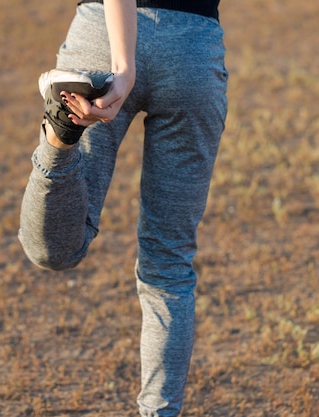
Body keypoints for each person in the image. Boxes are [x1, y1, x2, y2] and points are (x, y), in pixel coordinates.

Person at [18, 0, 227, 415]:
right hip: (193, 51)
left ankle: (59, 141)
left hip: (101, 43)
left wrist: (125, 64)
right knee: (169, 264)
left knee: (55, 251)